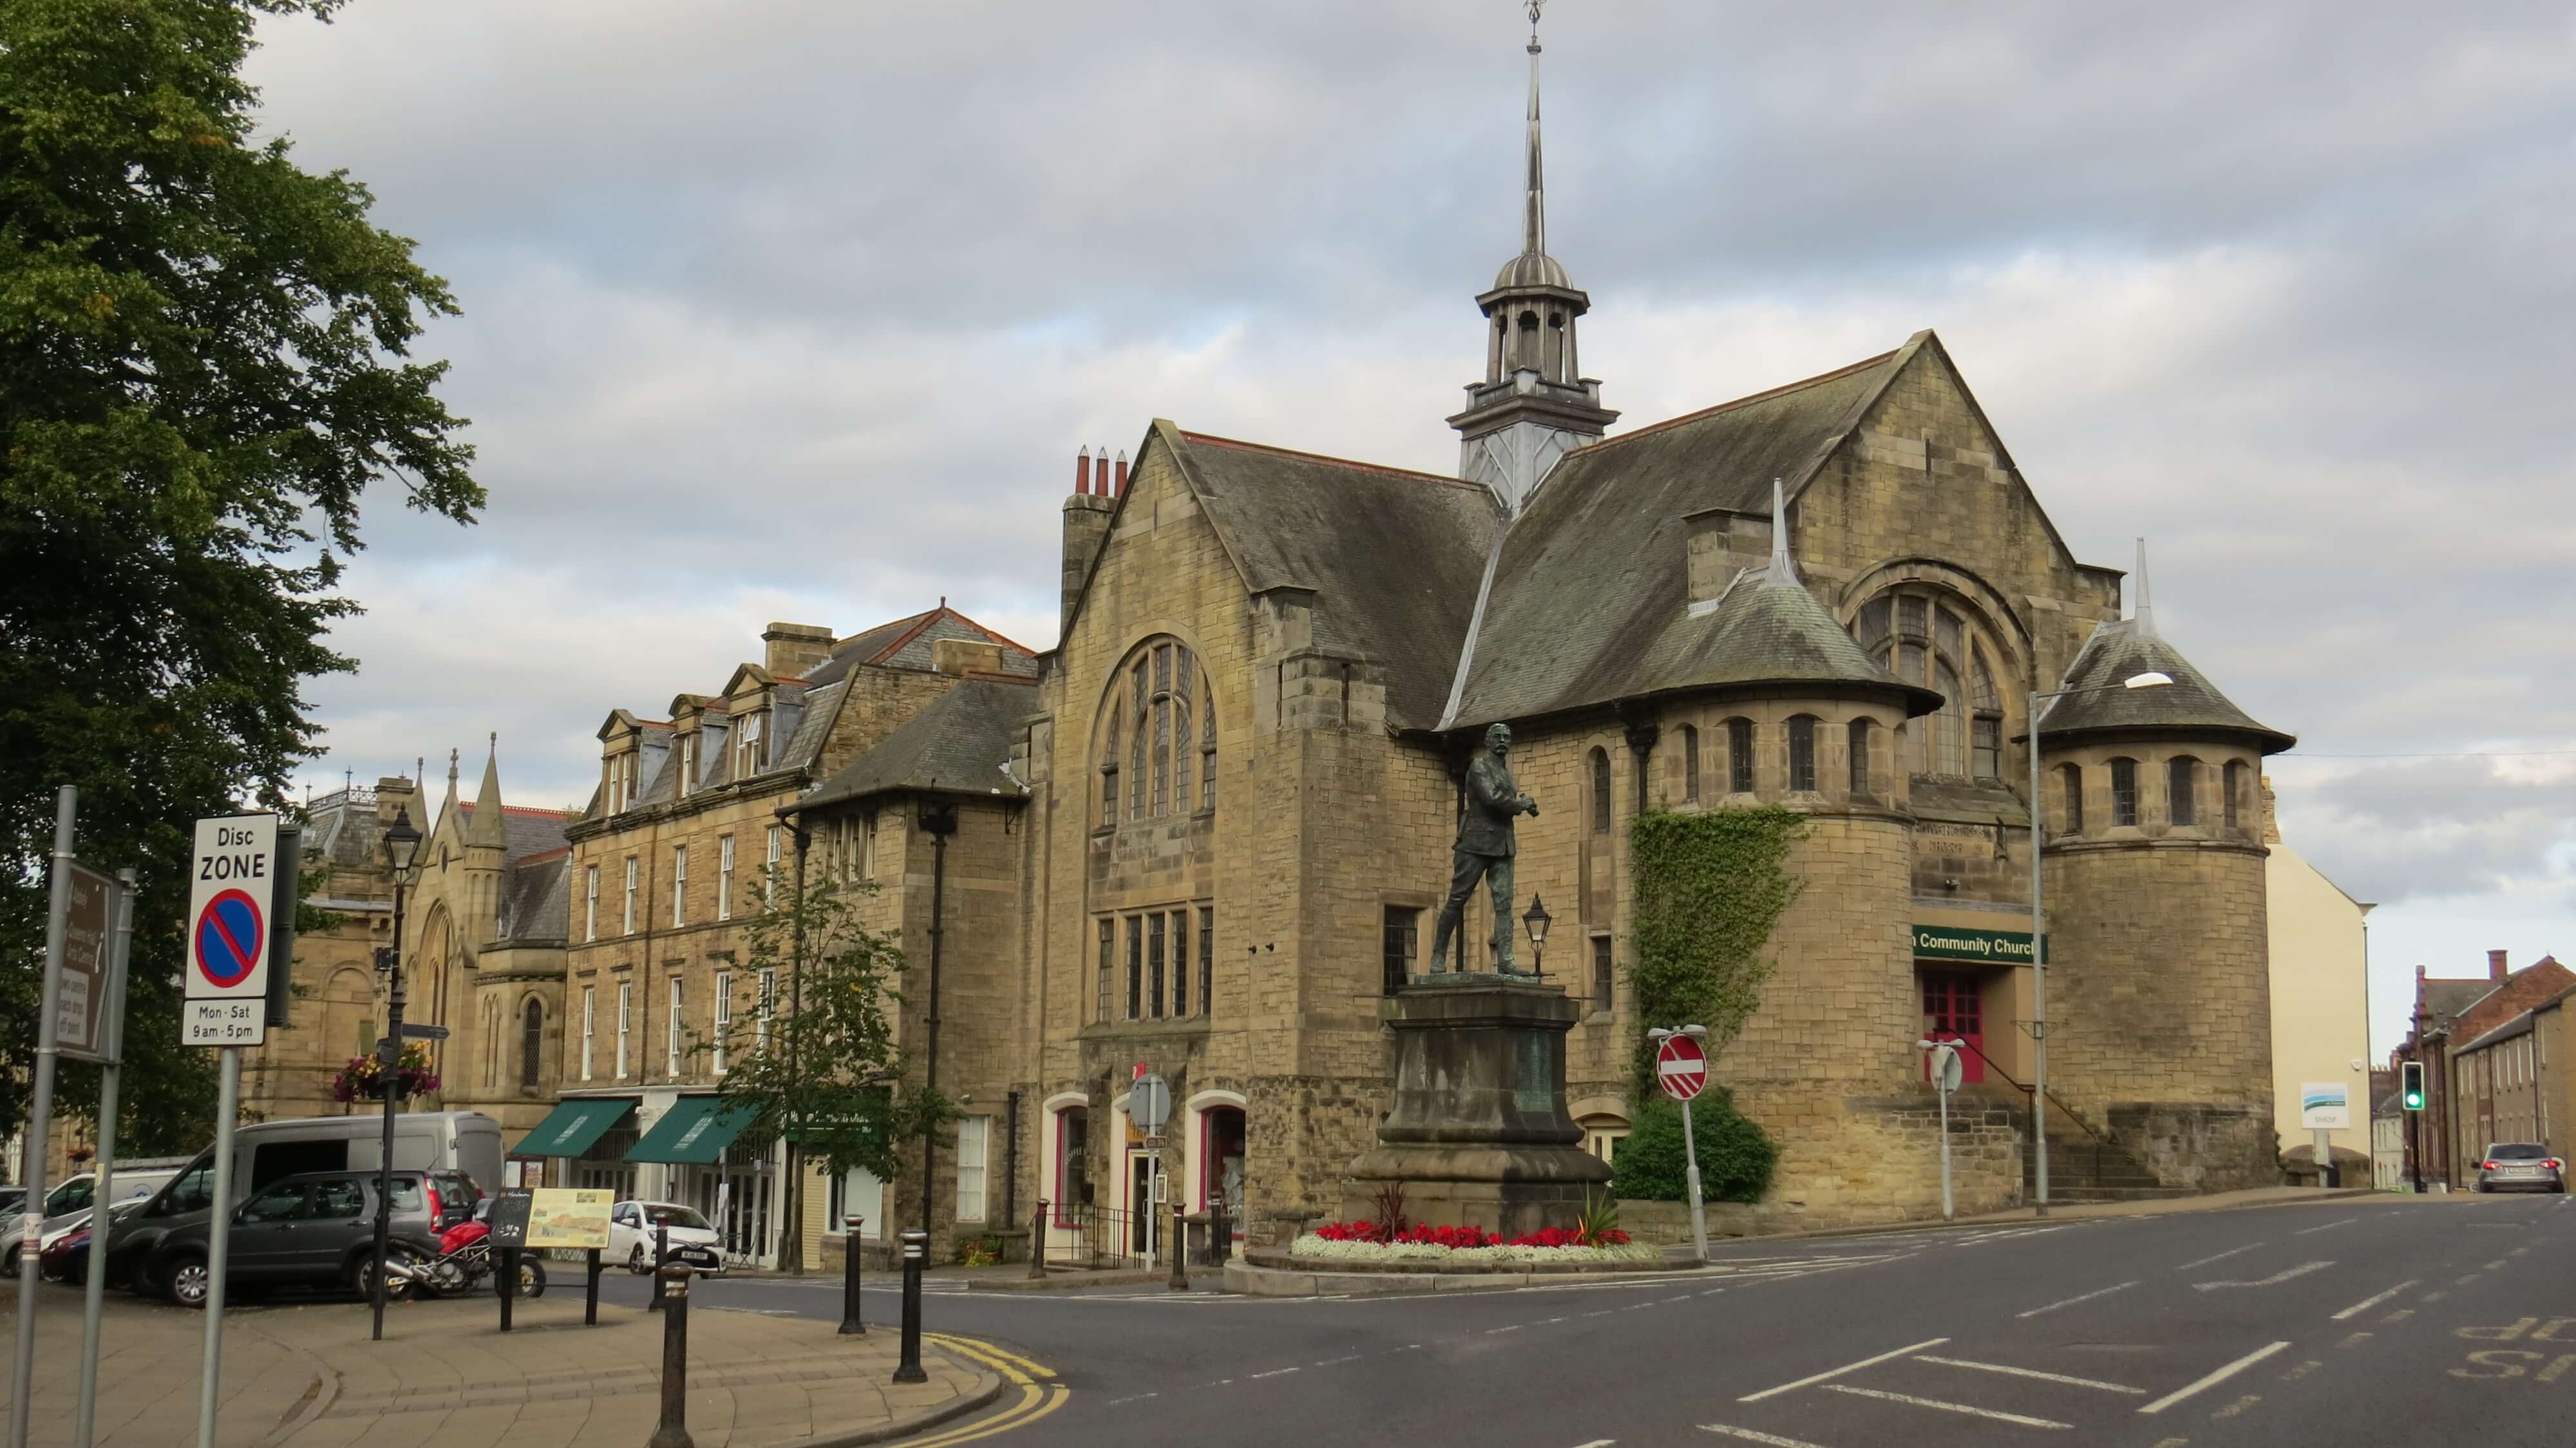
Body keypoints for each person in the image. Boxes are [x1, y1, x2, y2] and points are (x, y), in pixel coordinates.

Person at [1429, 723, 1540, 973]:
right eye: (1497, 737)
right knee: (1458, 899)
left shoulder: (1506, 773)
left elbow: (1506, 800)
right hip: (1476, 841)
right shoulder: (1479, 765)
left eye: (1507, 737)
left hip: (1502, 843)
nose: (1503, 740)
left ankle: (1507, 960)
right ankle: (1438, 956)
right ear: (1488, 741)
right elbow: (1491, 798)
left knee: (1504, 904)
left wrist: (1526, 805)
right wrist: (1520, 804)